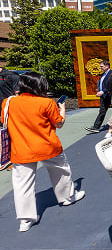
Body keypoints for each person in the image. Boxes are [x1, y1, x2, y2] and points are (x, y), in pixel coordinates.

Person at [2, 72, 85, 232]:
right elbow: (59, 124)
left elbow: (4, 121)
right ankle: (66, 197)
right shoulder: (46, 103)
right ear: (40, 86)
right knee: (61, 171)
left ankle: (26, 220)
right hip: (47, 147)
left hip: (21, 149)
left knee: (22, 184)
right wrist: (62, 110)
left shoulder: (8, 102)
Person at [85, 60, 112, 133]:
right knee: (102, 111)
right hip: (103, 96)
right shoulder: (103, 74)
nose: (100, 68)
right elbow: (103, 84)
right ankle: (96, 127)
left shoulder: (111, 74)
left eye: (102, 66)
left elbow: (110, 85)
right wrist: (99, 89)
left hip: (110, 95)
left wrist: (102, 91)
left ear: (107, 66)